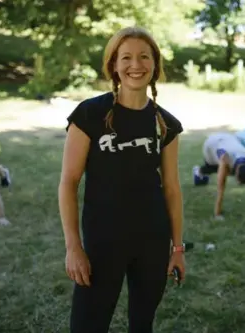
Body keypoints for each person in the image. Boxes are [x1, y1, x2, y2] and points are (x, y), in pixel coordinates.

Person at [58, 26, 186, 333]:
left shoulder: (166, 124)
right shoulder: (89, 114)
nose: (135, 65)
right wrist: (73, 247)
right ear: (114, 65)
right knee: (88, 325)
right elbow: (68, 182)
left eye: (144, 57)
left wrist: (177, 248)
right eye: (126, 57)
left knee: (142, 324)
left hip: (153, 240)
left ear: (155, 65)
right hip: (103, 242)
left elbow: (171, 189)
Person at [192, 132, 245, 220]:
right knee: (214, 168)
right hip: (211, 144)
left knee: (225, 169)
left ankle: (202, 172)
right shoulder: (225, 160)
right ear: (237, 174)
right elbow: (220, 189)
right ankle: (198, 171)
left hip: (228, 139)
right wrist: (217, 214)